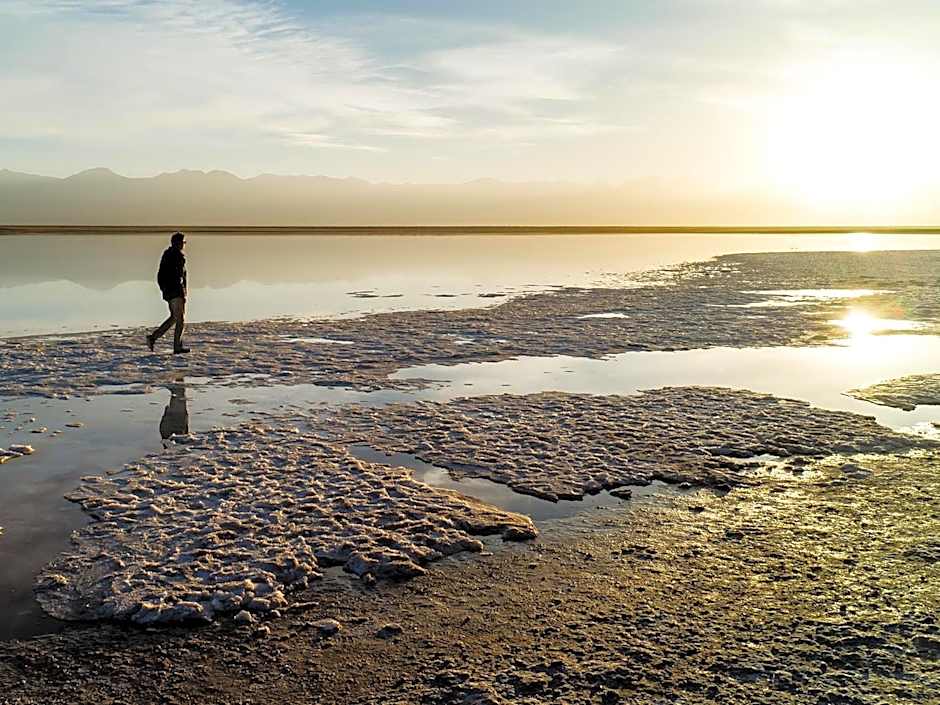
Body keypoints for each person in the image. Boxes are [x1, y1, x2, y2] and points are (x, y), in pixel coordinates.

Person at [147, 231, 190, 353]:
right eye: (182, 242)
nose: (183, 244)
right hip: (174, 291)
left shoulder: (172, 255)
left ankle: (153, 337)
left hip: (174, 291)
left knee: (174, 318)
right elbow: (175, 276)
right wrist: (173, 291)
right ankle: (177, 347)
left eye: (184, 242)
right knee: (180, 318)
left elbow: (181, 276)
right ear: (176, 243)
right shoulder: (174, 255)